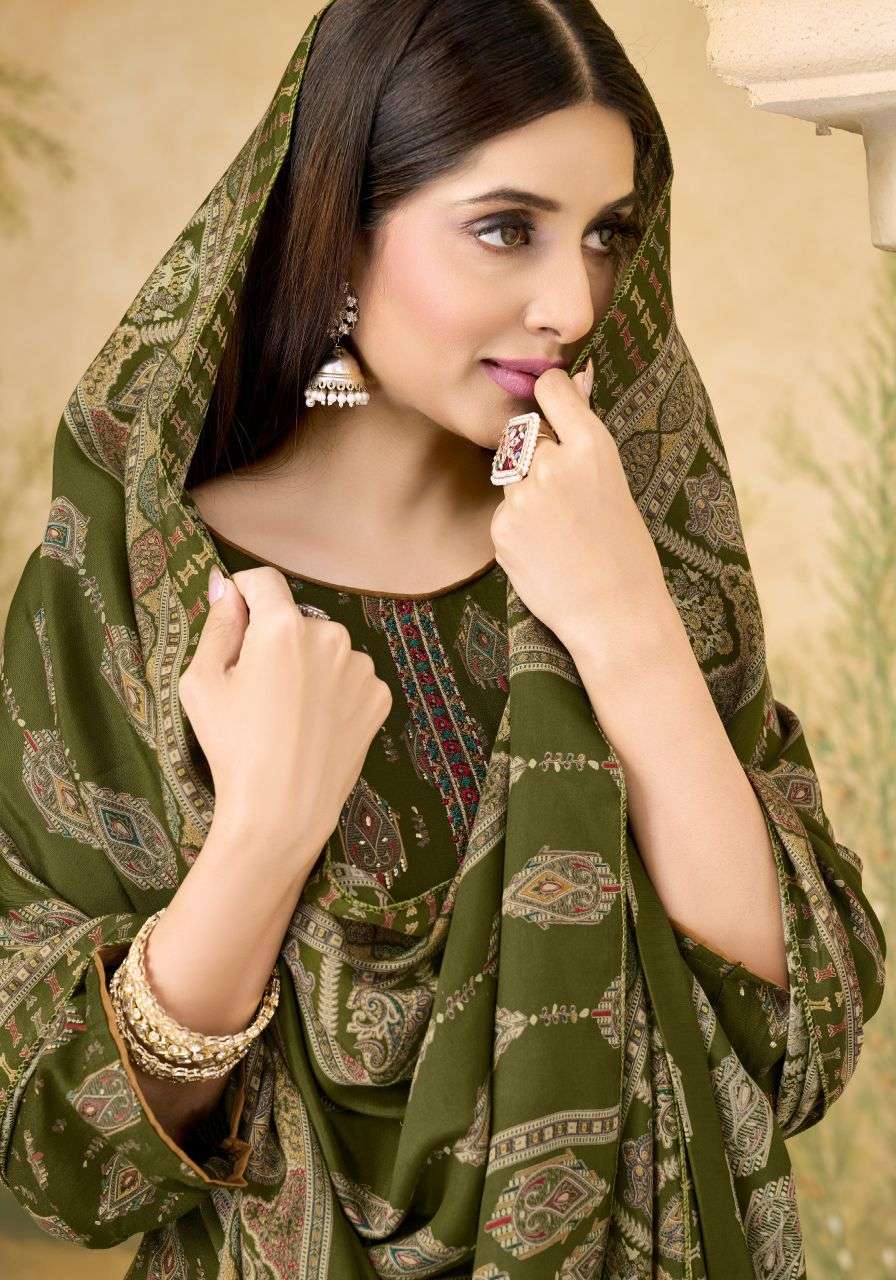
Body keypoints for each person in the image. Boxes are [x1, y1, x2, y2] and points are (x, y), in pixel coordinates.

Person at [0, 1, 885, 1276]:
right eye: (506, 228)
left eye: (604, 234)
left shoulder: (623, 546)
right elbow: (64, 1157)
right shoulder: (143, 595)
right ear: (340, 231)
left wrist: (627, 626)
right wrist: (261, 837)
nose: (570, 301)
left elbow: (798, 1028)